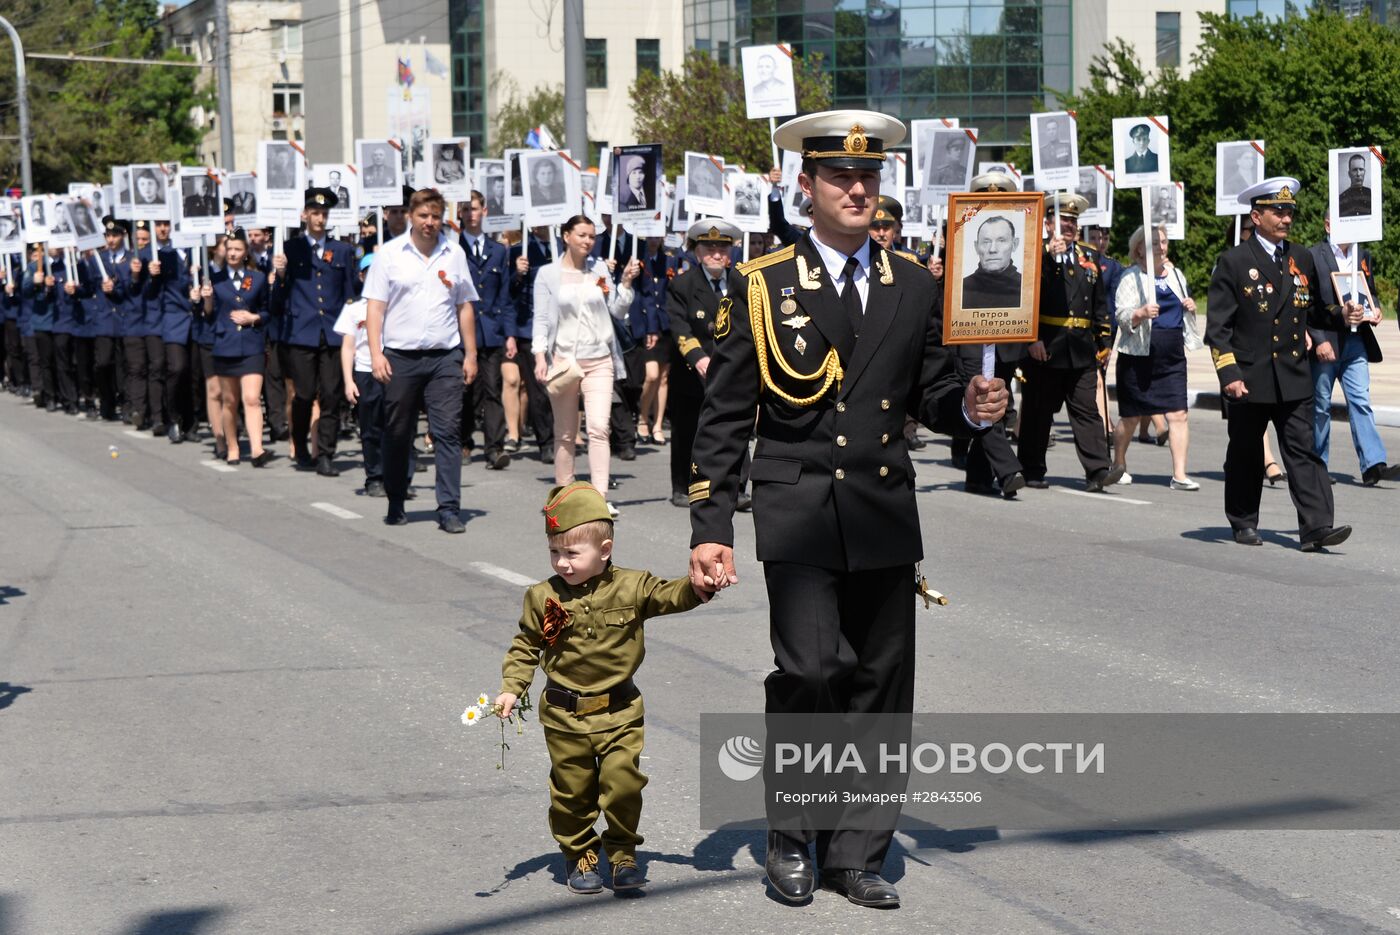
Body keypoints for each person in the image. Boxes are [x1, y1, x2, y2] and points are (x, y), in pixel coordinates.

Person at [687, 110, 1007, 910]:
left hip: (883, 504)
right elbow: (725, 415)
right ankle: (794, 835)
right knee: (810, 674)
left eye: (870, 177)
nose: (858, 188)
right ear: (809, 188)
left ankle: (859, 847)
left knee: (879, 682)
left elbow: (931, 393)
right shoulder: (763, 284)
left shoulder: (917, 282)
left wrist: (971, 404)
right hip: (798, 506)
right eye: (841, 177)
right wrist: (711, 528)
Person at [494, 481, 708, 894]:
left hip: (620, 711)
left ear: (604, 550)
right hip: (564, 715)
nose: (562, 563)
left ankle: (623, 851)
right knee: (573, 792)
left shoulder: (633, 585)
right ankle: (579, 854)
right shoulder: (542, 596)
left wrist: (701, 585)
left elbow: (672, 595)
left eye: (572, 553)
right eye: (555, 552)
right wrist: (511, 688)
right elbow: (525, 646)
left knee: (623, 783)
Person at [1205, 177, 1353, 550]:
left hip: (1292, 373)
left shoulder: (1300, 257)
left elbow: (1316, 310)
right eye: (1278, 211)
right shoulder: (1233, 261)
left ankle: (1316, 527)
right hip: (1250, 376)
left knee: (1303, 451)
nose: (1286, 217)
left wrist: (1343, 312)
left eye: (1289, 211)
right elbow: (1218, 327)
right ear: (1256, 217)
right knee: (1246, 452)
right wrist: (1229, 373)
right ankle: (1243, 521)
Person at [363, 187, 480, 532]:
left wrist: (470, 354)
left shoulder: (454, 253)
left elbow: (464, 306)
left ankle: (448, 508)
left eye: (435, 216)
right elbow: (375, 307)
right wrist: (375, 352)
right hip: (400, 357)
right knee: (398, 432)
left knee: (447, 432)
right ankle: (396, 498)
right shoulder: (389, 254)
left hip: (445, 357)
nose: (429, 223)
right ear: (411, 217)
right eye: (423, 216)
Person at [532, 215, 639, 514]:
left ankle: (599, 498)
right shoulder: (548, 275)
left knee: (598, 428)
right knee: (565, 433)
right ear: (566, 236)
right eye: (581, 235)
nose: (587, 241)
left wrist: (626, 285)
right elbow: (541, 320)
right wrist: (540, 356)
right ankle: (563, 496)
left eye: (591, 236)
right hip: (565, 362)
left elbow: (617, 311)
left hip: (600, 360)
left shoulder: (600, 269)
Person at [1017, 192, 1120, 492]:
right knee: (1038, 411)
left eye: (1073, 221)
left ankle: (1098, 470)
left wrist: (1104, 341)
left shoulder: (1089, 258)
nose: (1069, 226)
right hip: (1046, 346)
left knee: (1086, 410)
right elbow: (1027, 298)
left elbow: (1099, 304)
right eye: (1063, 220)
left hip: (1080, 348)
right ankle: (1032, 468)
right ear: (1048, 224)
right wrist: (1031, 338)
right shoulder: (1034, 255)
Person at [271, 188, 358, 476]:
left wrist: (351, 330)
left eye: (324, 213)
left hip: (333, 332)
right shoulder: (289, 249)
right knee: (305, 394)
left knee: (332, 395)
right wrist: (280, 276)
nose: (320, 218)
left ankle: (326, 454)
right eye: (315, 213)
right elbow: (278, 297)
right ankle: (300, 442)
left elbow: (350, 294)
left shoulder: (343, 250)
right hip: (301, 332)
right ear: (305, 215)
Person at [1110, 225, 1202, 490]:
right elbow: (1122, 316)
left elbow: (1184, 309)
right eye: (1154, 242)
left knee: (1179, 415)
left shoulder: (1176, 275)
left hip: (1171, 357)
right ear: (1139, 248)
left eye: (1163, 241)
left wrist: (1191, 307)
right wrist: (1139, 313)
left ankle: (1180, 475)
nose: (1160, 246)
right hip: (1139, 357)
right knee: (1131, 417)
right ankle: (1118, 463)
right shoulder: (1131, 277)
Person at [1308, 212, 1398, 485]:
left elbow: (1368, 289)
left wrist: (1376, 307)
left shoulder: (1361, 254)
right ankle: (1317, 465)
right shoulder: (1313, 255)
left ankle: (1373, 463)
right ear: (1328, 224)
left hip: (1356, 339)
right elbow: (1307, 303)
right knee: (1320, 405)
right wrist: (1318, 338)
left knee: (1360, 400)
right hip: (1327, 340)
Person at [666, 220, 750, 509]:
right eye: (709, 248)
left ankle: (736, 488)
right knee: (687, 430)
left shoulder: (742, 282)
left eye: (722, 248)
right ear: (696, 252)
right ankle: (682, 486)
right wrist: (698, 357)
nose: (716, 254)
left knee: (734, 426)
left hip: (732, 370)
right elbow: (678, 327)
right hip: (693, 371)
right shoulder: (682, 284)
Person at [196, 228, 278, 467]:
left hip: (251, 343)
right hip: (225, 345)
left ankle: (256, 449)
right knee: (230, 400)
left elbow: (266, 310)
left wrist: (253, 318)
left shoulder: (258, 278)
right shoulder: (214, 279)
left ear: (245, 253)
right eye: (229, 249)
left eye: (237, 249)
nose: (232, 253)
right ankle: (232, 447)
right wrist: (207, 299)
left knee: (252, 398)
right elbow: (208, 316)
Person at [459, 192, 514, 470]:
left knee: (493, 390)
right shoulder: (452, 248)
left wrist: (510, 333)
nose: (471, 214)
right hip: (460, 334)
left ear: (485, 211)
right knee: (465, 391)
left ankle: (494, 448)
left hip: (490, 331)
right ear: (459, 213)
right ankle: (464, 440)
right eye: (466, 209)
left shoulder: (499, 251)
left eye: (476, 209)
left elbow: (505, 296)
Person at [961, 215, 1023, 308]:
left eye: (1001, 241)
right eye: (986, 242)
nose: (992, 249)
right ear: (976, 247)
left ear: (1014, 244)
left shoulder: (1026, 288)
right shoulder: (961, 289)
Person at [1338, 153, 1371, 218]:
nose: (1358, 174)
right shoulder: (1341, 199)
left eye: (1361, 169)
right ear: (1349, 173)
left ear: (1364, 172)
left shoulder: (1372, 195)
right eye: (1355, 170)